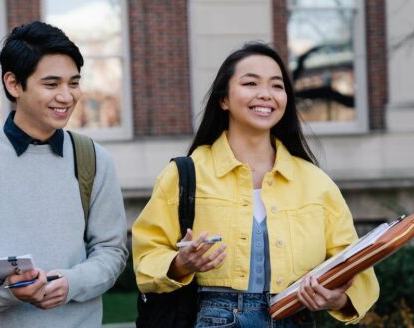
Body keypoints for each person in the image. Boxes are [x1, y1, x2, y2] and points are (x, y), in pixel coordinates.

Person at [132, 42, 379, 327]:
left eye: (277, 86)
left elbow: (358, 269)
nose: (265, 94)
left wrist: (336, 299)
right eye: (250, 83)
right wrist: (180, 265)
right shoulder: (185, 174)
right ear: (223, 99)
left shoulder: (315, 182)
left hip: (294, 316)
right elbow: (146, 257)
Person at [0, 21, 128, 327]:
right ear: (13, 84)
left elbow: (111, 251)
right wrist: (10, 290)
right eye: (51, 84)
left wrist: (71, 282)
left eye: (73, 83)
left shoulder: (94, 159)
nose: (67, 96)